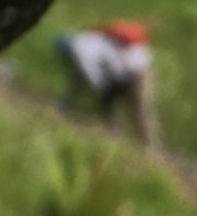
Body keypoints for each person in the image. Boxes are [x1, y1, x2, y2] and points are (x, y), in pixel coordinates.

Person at [56, 19, 160, 147]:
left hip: (136, 71)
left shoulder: (79, 50)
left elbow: (89, 72)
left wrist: (102, 87)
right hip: (126, 69)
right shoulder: (86, 39)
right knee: (115, 104)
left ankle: (150, 145)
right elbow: (84, 74)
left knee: (138, 106)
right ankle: (122, 137)